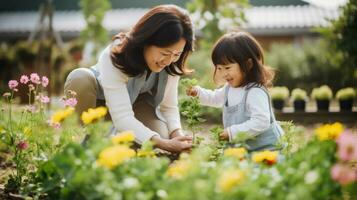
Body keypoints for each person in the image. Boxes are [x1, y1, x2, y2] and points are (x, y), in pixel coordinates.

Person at [64, 5, 193, 153]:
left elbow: (168, 106)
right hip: (101, 106)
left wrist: (178, 136)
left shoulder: (172, 63)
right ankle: (92, 138)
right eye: (165, 53)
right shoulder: (116, 54)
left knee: (161, 136)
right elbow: (122, 116)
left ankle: (115, 143)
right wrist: (164, 144)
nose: (169, 60)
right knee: (79, 78)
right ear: (146, 41)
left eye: (177, 54)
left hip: (138, 105)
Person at [186, 31, 284, 151]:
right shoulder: (229, 88)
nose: (224, 73)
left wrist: (232, 132)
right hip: (244, 149)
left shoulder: (254, 91)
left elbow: (261, 121)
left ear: (248, 64)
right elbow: (215, 99)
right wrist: (198, 93)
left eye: (227, 68)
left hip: (267, 149)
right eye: (219, 68)